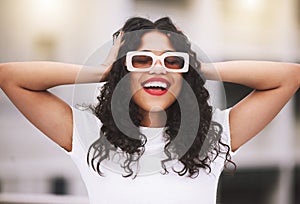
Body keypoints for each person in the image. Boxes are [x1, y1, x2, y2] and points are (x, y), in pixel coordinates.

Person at [0, 17, 299, 204]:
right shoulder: (88, 134)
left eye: (171, 61)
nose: (158, 69)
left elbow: (288, 77)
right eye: (141, 60)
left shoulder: (210, 137)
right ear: (123, 73)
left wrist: (198, 67)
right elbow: (10, 77)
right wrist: (103, 70)